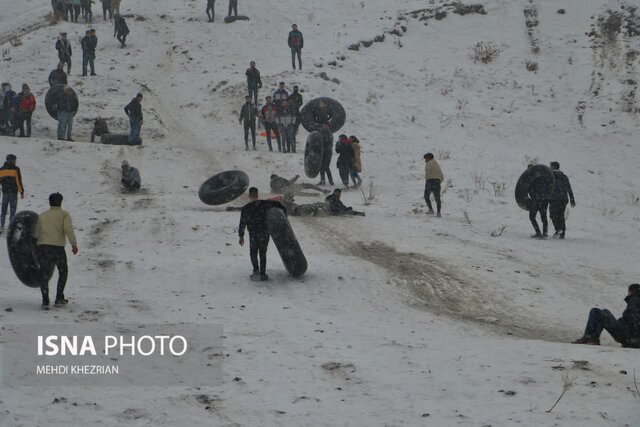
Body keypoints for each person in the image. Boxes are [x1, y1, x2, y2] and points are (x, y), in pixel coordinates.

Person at [35, 193, 78, 310]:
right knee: (63, 271)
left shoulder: (42, 216)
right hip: (58, 248)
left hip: (43, 248)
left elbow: (36, 233)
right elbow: (68, 230)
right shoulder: (64, 215)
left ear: (49, 202)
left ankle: (45, 302)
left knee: (44, 274)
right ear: (60, 202)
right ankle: (59, 298)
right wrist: (74, 244)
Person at [238, 187, 286, 281]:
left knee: (253, 252)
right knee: (263, 253)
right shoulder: (266, 204)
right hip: (264, 233)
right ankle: (263, 273)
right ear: (257, 195)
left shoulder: (246, 208)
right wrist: (284, 218)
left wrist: (241, 236)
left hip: (253, 234)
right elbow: (281, 206)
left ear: (249, 196)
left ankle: (256, 271)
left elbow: (242, 223)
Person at [572, 284, 640, 347]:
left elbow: (633, 319)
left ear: (632, 291)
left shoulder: (635, 299)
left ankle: (590, 338)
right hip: (631, 338)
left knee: (597, 312)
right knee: (604, 312)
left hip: (628, 336)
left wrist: (633, 339)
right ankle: (591, 338)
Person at [549, 161, 575, 239]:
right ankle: (562, 233)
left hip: (554, 198)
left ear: (553, 167)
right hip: (563, 199)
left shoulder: (550, 175)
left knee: (553, 215)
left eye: (550, 166)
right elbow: (569, 188)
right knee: (561, 215)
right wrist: (572, 198)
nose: (549, 167)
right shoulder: (564, 176)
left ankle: (558, 229)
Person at [0, 154, 25, 233]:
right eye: (14, 160)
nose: (15, 161)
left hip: (5, 193)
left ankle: (2, 226)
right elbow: (18, 181)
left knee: (3, 210)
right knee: (12, 210)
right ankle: (10, 227)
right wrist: (21, 192)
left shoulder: (1, 169)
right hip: (13, 193)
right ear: (11, 160)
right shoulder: (16, 169)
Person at [527, 165, 552, 238]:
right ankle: (545, 233)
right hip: (544, 200)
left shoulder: (530, 179)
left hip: (536, 200)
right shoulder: (543, 177)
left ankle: (538, 232)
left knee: (532, 217)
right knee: (543, 216)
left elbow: (529, 189)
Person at [423, 152, 444, 217]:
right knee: (437, 198)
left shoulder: (429, 163)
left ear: (428, 158)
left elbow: (428, 172)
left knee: (426, 196)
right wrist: (438, 182)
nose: (425, 160)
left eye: (425, 159)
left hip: (430, 181)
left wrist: (427, 180)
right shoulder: (437, 165)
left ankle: (431, 210)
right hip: (437, 182)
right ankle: (438, 212)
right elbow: (442, 176)